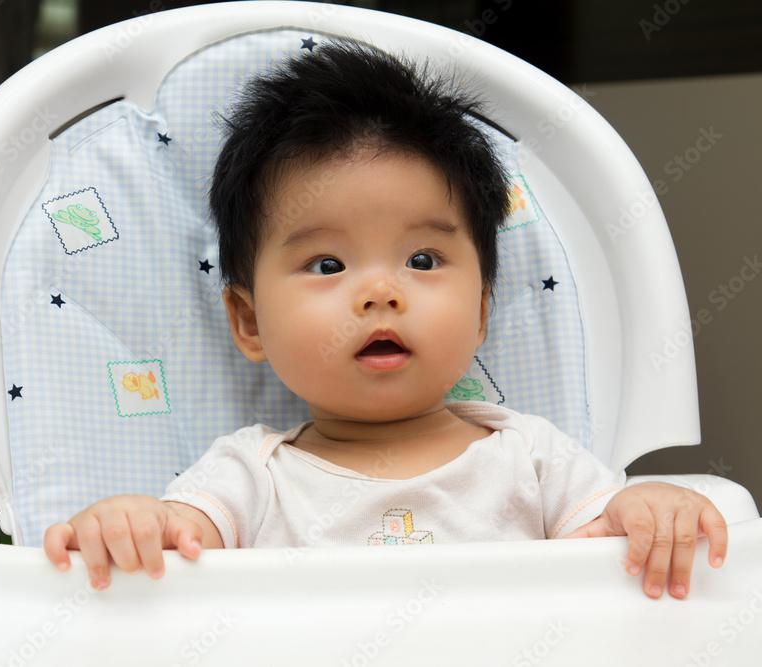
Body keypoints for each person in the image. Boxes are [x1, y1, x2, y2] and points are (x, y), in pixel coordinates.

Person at [44, 40, 727, 599]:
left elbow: (614, 551)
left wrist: (654, 510)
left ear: (482, 310)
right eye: (327, 264)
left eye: (422, 259)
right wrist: (130, 523)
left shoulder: (536, 459)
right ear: (249, 321)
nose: (380, 292)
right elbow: (172, 540)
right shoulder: (247, 478)